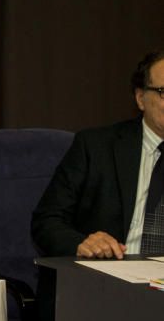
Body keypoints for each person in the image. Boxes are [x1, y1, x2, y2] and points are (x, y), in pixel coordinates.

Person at [32, 51, 164, 258]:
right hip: (109, 276)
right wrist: (82, 243)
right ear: (140, 98)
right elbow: (47, 222)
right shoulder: (95, 147)